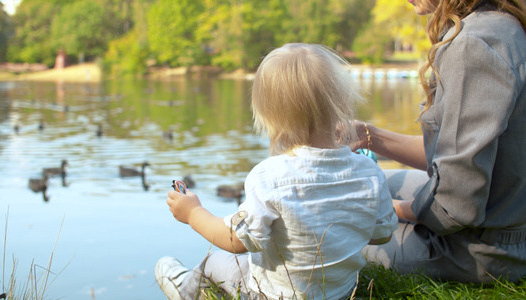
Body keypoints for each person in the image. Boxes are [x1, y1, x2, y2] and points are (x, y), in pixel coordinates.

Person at [155, 43, 398, 299]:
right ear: (341, 101)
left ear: (270, 116)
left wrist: (193, 212)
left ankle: (183, 291)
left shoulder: (269, 177)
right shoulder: (369, 171)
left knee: (214, 263)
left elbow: (237, 242)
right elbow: (381, 235)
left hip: (272, 294)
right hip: (343, 291)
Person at [351, 0, 526, 284]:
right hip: (504, 223)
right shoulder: (502, 24)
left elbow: (454, 208)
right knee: (373, 181)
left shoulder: (472, 45)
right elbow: (458, 156)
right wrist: (368, 136)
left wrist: (384, 208)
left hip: (480, 251)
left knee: (326, 229)